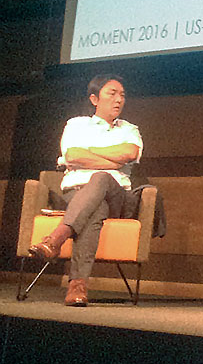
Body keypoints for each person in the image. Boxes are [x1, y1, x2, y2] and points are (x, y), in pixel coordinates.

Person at [28, 74, 144, 306]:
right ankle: (77, 287)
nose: (118, 99)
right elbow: (72, 155)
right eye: (112, 94)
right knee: (95, 208)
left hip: (117, 197)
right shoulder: (76, 124)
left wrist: (89, 153)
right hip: (77, 196)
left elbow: (129, 154)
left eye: (122, 95)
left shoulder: (130, 129)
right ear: (94, 99)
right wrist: (111, 160)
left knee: (101, 178)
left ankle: (56, 239)